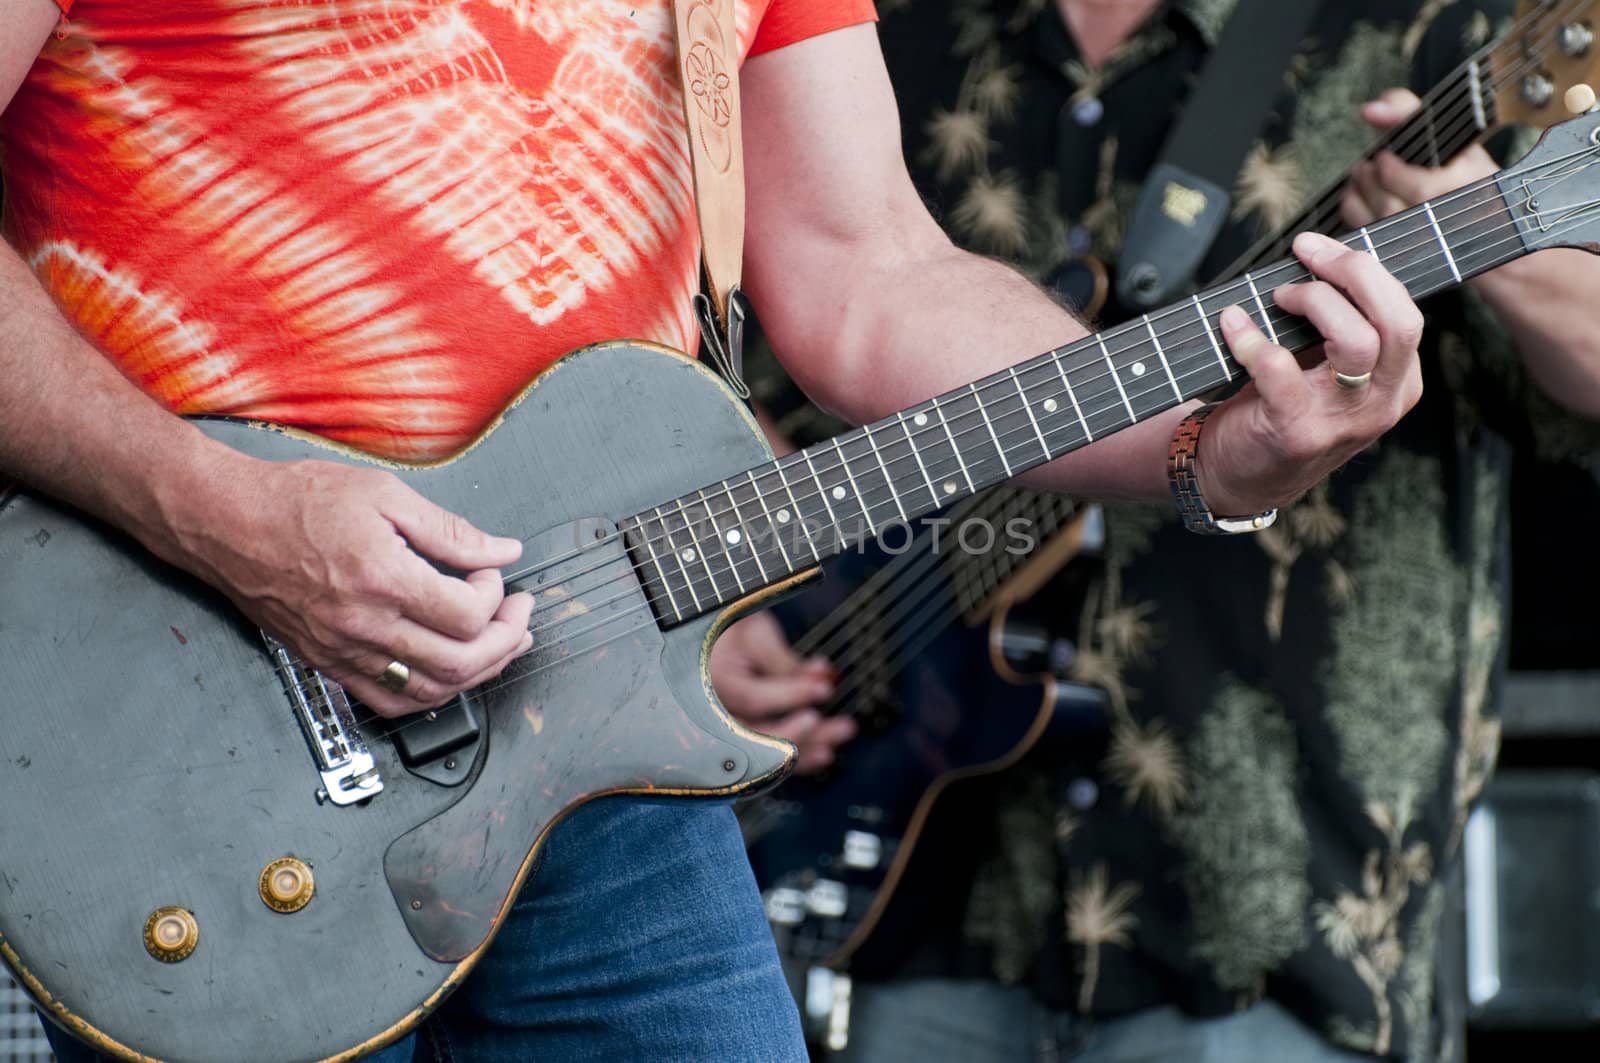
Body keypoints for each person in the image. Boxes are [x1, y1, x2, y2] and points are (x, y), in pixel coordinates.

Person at [2, 0, 1439, 1059]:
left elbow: (864, 267)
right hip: (190, 724)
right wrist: (225, 510)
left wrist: (1203, 445)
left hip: (601, 736)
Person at [718, 0, 1600, 1060]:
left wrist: (1470, 228)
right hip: (909, 899)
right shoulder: (880, 33)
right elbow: (738, 370)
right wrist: (728, 611)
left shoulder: (1433, 31)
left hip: (1270, 906)